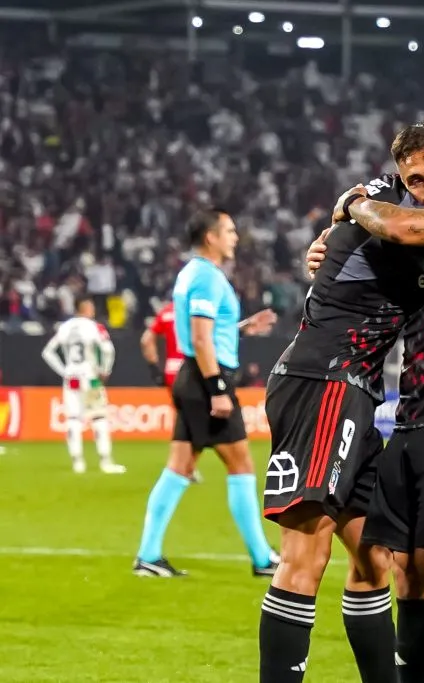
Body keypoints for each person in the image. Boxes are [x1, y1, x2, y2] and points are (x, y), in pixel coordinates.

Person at [261, 121, 424, 683]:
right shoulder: (391, 210)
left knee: (373, 558)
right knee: (305, 554)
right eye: (417, 178)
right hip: (325, 380)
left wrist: (351, 207)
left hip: (359, 391)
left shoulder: (418, 211)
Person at [132, 208, 279, 578]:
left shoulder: (192, 275)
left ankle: (148, 556)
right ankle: (262, 559)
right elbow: (199, 337)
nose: (235, 237)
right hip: (204, 380)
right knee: (241, 464)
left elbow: (208, 332)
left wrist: (243, 328)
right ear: (211, 237)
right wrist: (217, 389)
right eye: (229, 230)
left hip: (193, 377)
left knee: (180, 467)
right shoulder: (207, 279)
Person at [41, 295, 124, 474]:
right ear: (85, 308)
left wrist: (63, 371)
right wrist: (105, 370)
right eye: (91, 306)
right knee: (99, 417)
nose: (93, 310)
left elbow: (48, 352)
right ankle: (105, 462)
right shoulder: (95, 327)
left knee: (73, 418)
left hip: (71, 378)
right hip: (91, 376)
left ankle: (77, 463)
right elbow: (108, 350)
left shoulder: (64, 327)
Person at [141, 300, 203, 484]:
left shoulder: (167, 312)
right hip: (192, 368)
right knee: (201, 420)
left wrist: (154, 368)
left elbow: (146, 339)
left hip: (171, 370)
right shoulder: (198, 309)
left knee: (184, 418)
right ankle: (187, 467)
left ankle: (182, 467)